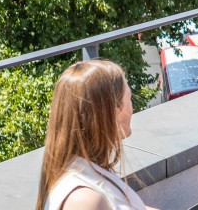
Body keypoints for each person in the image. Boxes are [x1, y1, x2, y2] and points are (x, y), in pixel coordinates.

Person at [36, 60, 159, 210]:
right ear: (112, 111)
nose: (132, 106)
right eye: (129, 98)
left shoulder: (87, 171)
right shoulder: (84, 201)